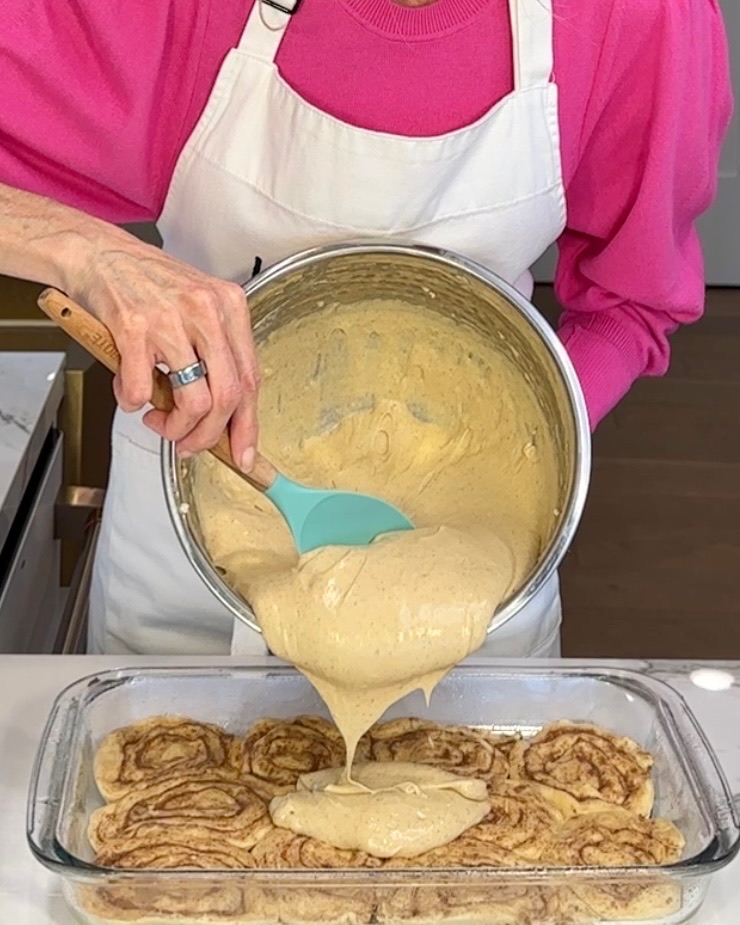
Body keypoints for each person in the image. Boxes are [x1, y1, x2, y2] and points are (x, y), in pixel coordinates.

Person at [0, 0, 732, 657]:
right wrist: (86, 250)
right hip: (182, 587)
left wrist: (513, 465)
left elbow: (632, 301)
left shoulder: (635, 17)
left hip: (470, 612)